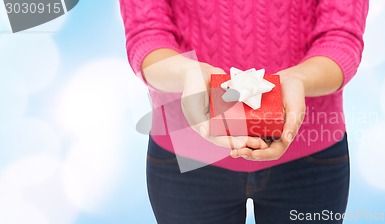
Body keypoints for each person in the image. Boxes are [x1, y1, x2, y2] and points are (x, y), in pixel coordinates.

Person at [120, 0, 368, 223]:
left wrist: (298, 79)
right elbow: (146, 34)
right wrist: (189, 75)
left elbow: (341, 37)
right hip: (185, 144)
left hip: (310, 147)